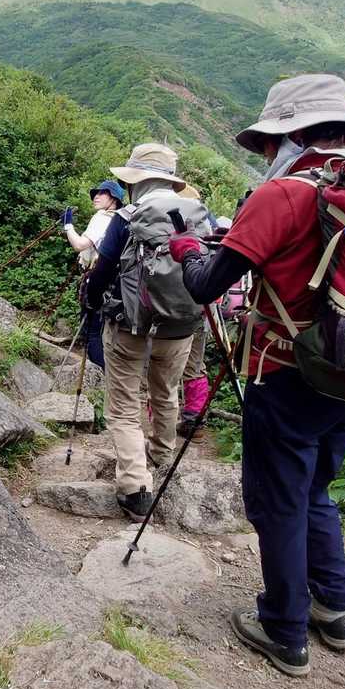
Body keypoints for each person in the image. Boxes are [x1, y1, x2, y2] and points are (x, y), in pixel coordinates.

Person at [166, 73, 345, 678]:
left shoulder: (283, 195)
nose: (264, 155)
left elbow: (207, 285)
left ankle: (284, 629)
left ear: (291, 136)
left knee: (278, 500)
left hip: (286, 371)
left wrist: (189, 250)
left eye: (267, 144)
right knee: (315, 489)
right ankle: (334, 607)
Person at [83, 144, 210, 521]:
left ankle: (136, 487)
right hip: (180, 327)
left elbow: (103, 270)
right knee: (166, 392)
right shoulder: (197, 215)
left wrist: (92, 300)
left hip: (130, 325)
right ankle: (160, 456)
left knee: (124, 405)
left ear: (134, 181)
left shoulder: (126, 216)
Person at [61, 179, 125, 368]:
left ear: (114, 198)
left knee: (92, 332)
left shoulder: (102, 218)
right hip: (115, 284)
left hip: (97, 280)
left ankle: (100, 374)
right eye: (95, 193)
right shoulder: (120, 219)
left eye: (103, 193)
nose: (96, 196)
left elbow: (80, 245)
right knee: (105, 331)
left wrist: (68, 226)